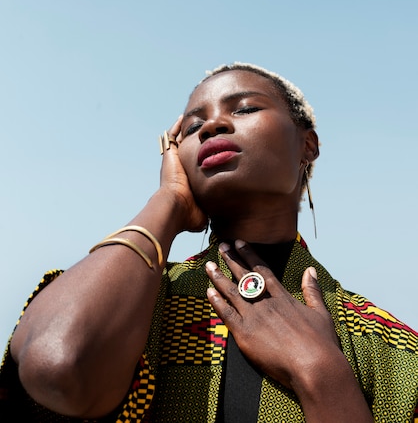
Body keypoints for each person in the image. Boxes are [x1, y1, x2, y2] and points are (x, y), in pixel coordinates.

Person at [1, 62, 418, 423]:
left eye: (246, 108)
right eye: (193, 126)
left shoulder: (391, 346)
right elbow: (57, 364)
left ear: (307, 145)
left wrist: (322, 373)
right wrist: (168, 202)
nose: (213, 125)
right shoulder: (139, 301)